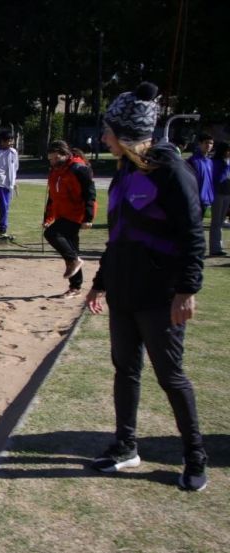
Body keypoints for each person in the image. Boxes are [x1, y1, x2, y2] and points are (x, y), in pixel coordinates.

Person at [85, 82, 208, 492]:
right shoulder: (122, 172)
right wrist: (100, 283)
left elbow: (193, 236)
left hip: (160, 298)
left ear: (126, 133)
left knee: (170, 376)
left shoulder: (171, 171)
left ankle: (195, 458)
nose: (103, 137)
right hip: (123, 294)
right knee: (126, 371)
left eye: (109, 131)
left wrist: (187, 289)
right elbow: (118, 236)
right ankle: (126, 446)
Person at [43, 140, 96, 298]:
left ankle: (73, 261)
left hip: (76, 213)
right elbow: (52, 196)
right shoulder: (55, 170)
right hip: (62, 213)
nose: (51, 162)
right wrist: (48, 216)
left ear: (64, 155)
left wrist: (88, 217)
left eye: (54, 158)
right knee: (72, 249)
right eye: (50, 159)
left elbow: (90, 193)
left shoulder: (78, 168)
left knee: (53, 234)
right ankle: (75, 286)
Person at [209, 141, 230, 257]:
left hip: (226, 193)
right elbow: (219, 178)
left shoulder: (226, 162)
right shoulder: (216, 162)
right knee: (216, 222)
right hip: (218, 194)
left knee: (220, 222)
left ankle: (218, 246)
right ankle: (215, 248)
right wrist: (226, 167)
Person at [187, 133, 214, 220]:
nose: (209, 145)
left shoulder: (210, 162)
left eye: (211, 143)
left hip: (205, 200)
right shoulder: (192, 161)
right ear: (200, 144)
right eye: (206, 143)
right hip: (194, 200)